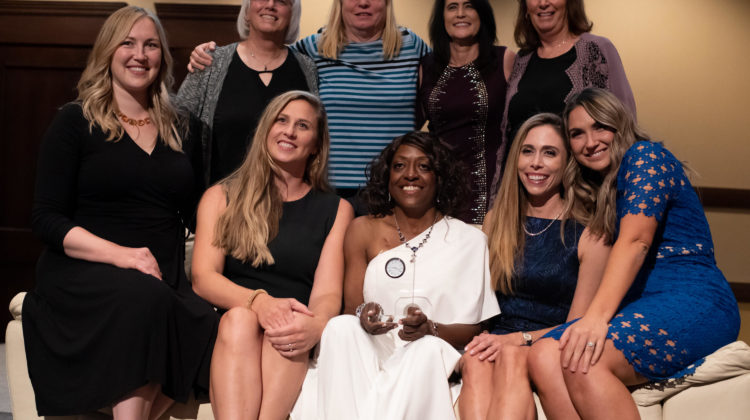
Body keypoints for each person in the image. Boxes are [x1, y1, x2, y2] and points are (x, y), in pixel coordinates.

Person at [22, 6, 219, 418]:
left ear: (162, 58)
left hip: (159, 268)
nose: (139, 54)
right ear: (107, 53)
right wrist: (123, 255)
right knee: (143, 299)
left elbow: (199, 207)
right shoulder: (74, 122)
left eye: (150, 45)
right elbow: (46, 218)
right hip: (85, 267)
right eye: (127, 43)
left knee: (207, 319)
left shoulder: (182, 126)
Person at [528, 88, 740, 420]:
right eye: (577, 134)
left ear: (619, 124)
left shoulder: (645, 156)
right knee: (543, 355)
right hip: (643, 304)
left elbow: (636, 242)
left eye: (601, 126)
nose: (590, 141)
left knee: (585, 359)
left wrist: (596, 320)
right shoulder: (603, 190)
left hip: (694, 298)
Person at [291, 131, 500, 420]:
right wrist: (366, 314)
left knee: (423, 350)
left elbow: (472, 328)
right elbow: (352, 309)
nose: (410, 175)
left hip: (432, 355)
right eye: (400, 166)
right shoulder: (362, 229)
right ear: (387, 177)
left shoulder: (469, 241)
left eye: (423, 166)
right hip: (376, 349)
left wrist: (430, 329)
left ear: (440, 178)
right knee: (341, 328)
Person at [191, 90, 353, 419]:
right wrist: (259, 302)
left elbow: (327, 292)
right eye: (281, 120)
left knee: (289, 323)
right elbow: (203, 278)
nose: (289, 131)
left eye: (302, 125)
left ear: (316, 144)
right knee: (240, 319)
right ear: (267, 128)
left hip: (293, 328)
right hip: (233, 323)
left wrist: (318, 324)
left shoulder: (336, 209)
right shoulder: (221, 196)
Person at [189, 0, 429, 214]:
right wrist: (209, 54)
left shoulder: (412, 46)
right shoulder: (314, 49)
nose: (363, 3)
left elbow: (437, 101)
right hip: (328, 191)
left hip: (394, 187)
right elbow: (266, 55)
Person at [458, 114, 609, 420]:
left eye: (549, 153)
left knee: (512, 357)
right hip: (493, 341)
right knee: (474, 360)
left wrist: (518, 340)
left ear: (568, 163)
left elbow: (578, 326)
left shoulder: (591, 233)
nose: (535, 163)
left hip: (547, 346)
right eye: (528, 151)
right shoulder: (495, 221)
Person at [491, 0, 636, 201]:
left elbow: (626, 123)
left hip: (586, 197)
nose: (543, 3)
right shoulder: (522, 60)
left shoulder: (597, 49)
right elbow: (507, 139)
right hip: (525, 195)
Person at [176, 0, 318, 187]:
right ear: (246, 11)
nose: (270, 4)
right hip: (221, 203)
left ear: (293, 14)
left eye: (282, 1)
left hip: (286, 203)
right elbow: (177, 128)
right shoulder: (210, 63)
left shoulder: (307, 68)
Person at [417, 0, 515, 224]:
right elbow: (409, 125)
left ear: (482, 14)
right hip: (439, 191)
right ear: (442, 17)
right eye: (452, 7)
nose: (460, 14)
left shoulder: (505, 59)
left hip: (494, 192)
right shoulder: (427, 66)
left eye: (469, 6)